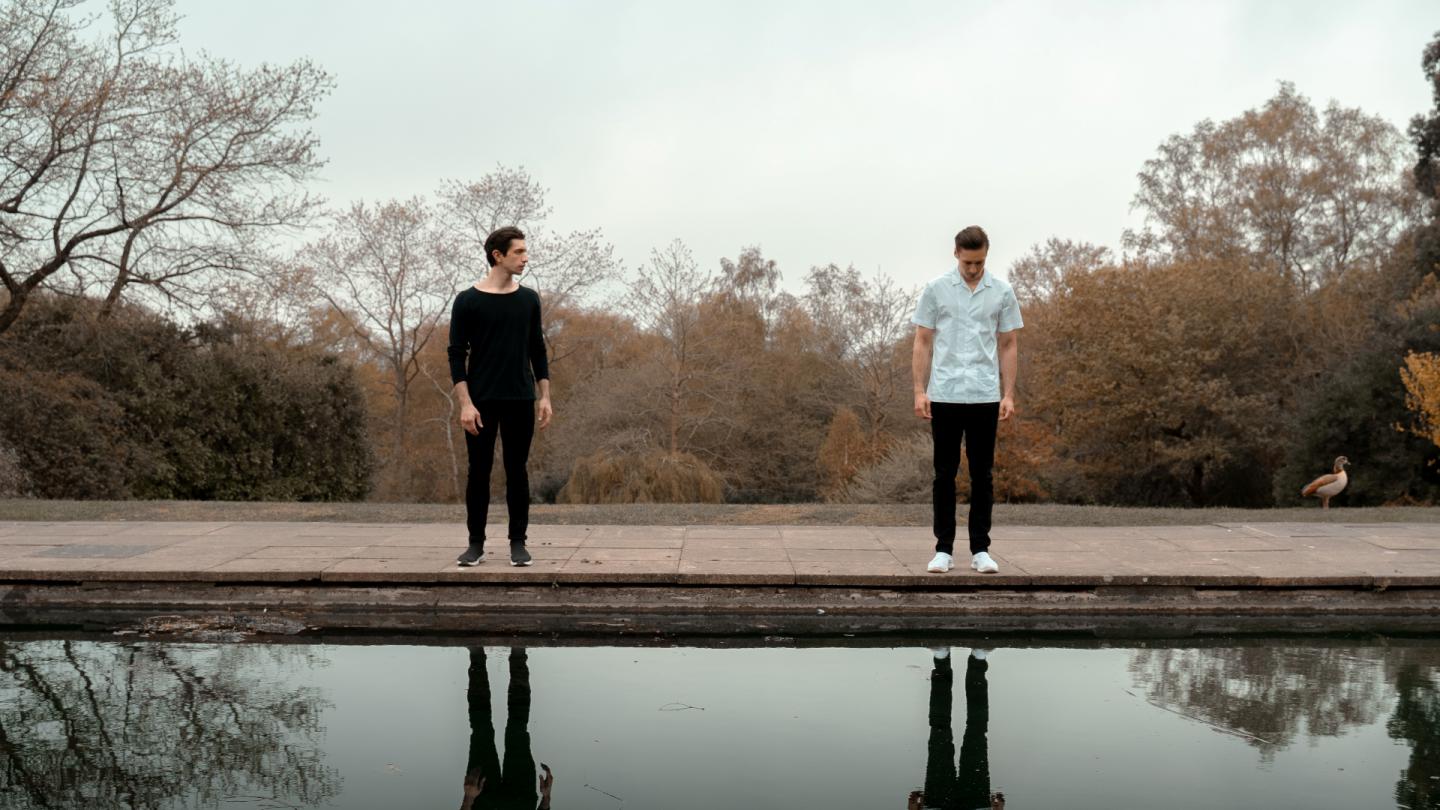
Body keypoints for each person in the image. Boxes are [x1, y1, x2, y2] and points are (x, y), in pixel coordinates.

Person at [911, 226, 1022, 575]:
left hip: (984, 395)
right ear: (956, 253)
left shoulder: (1002, 291)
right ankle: (943, 549)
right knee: (944, 474)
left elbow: (1008, 344)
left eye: (979, 262)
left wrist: (1008, 394)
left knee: (982, 475)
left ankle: (981, 550)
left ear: (986, 256)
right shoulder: (936, 289)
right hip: (944, 393)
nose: (973, 269)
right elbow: (923, 340)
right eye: (968, 262)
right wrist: (919, 390)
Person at [447, 226, 553, 567]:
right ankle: (475, 545)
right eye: (519, 252)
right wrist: (465, 404)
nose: (525, 258)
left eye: (525, 251)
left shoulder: (529, 299)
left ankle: (518, 543)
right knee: (478, 472)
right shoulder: (467, 301)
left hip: (520, 398)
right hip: (480, 401)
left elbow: (537, 349)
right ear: (498, 256)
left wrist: (545, 396)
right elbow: (456, 355)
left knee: (516, 470)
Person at [909, 648, 1004, 810]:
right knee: (975, 732)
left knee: (942, 730)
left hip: (938, 804)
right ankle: (976, 661)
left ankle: (943, 659)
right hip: (973, 804)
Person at [462, 646, 554, 810]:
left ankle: (476, 654)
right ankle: (518, 653)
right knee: (517, 728)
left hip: (483, 801)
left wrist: (468, 799)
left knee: (481, 727)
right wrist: (546, 797)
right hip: (521, 801)